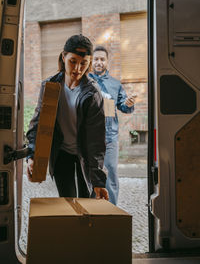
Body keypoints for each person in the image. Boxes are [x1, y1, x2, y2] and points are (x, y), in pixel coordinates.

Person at [26, 35, 108, 201]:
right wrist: (32, 155)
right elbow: (38, 123)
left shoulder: (92, 94)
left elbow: (96, 140)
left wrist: (98, 181)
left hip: (84, 154)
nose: (77, 68)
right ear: (64, 57)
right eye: (73, 61)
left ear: (89, 63)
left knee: (87, 201)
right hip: (61, 153)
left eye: (83, 63)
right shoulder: (50, 86)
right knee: (67, 200)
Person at [89, 46, 136, 205]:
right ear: (91, 61)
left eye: (102, 59)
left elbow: (123, 106)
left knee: (112, 174)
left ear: (107, 62)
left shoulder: (115, 84)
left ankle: (112, 209)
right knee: (90, 175)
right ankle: (91, 209)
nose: (99, 62)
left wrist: (128, 103)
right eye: (96, 59)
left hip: (110, 138)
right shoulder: (85, 81)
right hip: (89, 139)